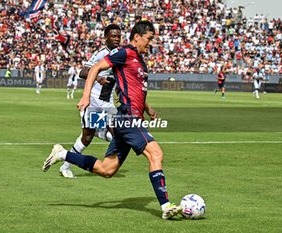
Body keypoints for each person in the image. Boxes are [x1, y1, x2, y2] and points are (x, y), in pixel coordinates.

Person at [43, 21, 183, 220]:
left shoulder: (140, 61)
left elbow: (135, 90)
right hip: (127, 117)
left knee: (106, 169)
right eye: (149, 39)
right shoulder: (124, 53)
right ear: (137, 37)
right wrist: (84, 96)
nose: (151, 43)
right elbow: (93, 69)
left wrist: (148, 108)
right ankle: (166, 206)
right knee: (155, 154)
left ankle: (63, 154)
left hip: (126, 117)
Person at [59, 24, 122, 178]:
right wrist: (98, 78)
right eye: (113, 36)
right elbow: (83, 72)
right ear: (106, 37)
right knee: (86, 138)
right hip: (94, 102)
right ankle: (65, 166)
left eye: (118, 36)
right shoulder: (101, 54)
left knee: (118, 134)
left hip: (107, 103)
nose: (116, 39)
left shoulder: (120, 53)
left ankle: (106, 163)